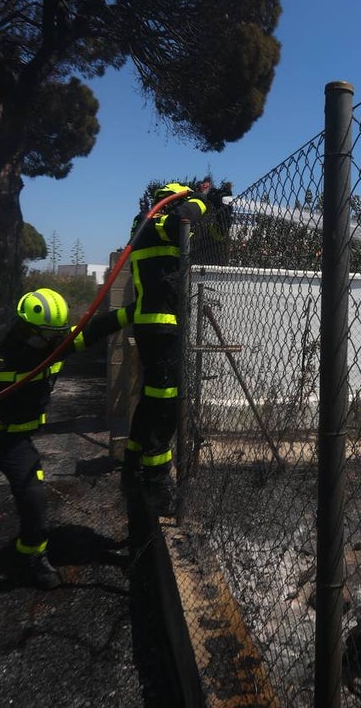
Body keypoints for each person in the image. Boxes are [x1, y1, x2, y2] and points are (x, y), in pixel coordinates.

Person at [0, 287, 131, 601]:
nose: (50, 342)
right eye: (44, 335)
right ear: (23, 327)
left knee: (34, 497)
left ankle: (33, 557)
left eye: (55, 335)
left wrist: (135, 310)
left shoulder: (57, 345)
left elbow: (97, 328)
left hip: (15, 440)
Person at [123, 181, 228, 512]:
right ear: (170, 202)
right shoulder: (154, 222)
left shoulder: (149, 227)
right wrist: (201, 199)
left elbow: (214, 237)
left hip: (156, 327)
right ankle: (157, 485)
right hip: (162, 327)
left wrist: (220, 210)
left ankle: (132, 468)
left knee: (151, 402)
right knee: (165, 407)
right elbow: (183, 219)